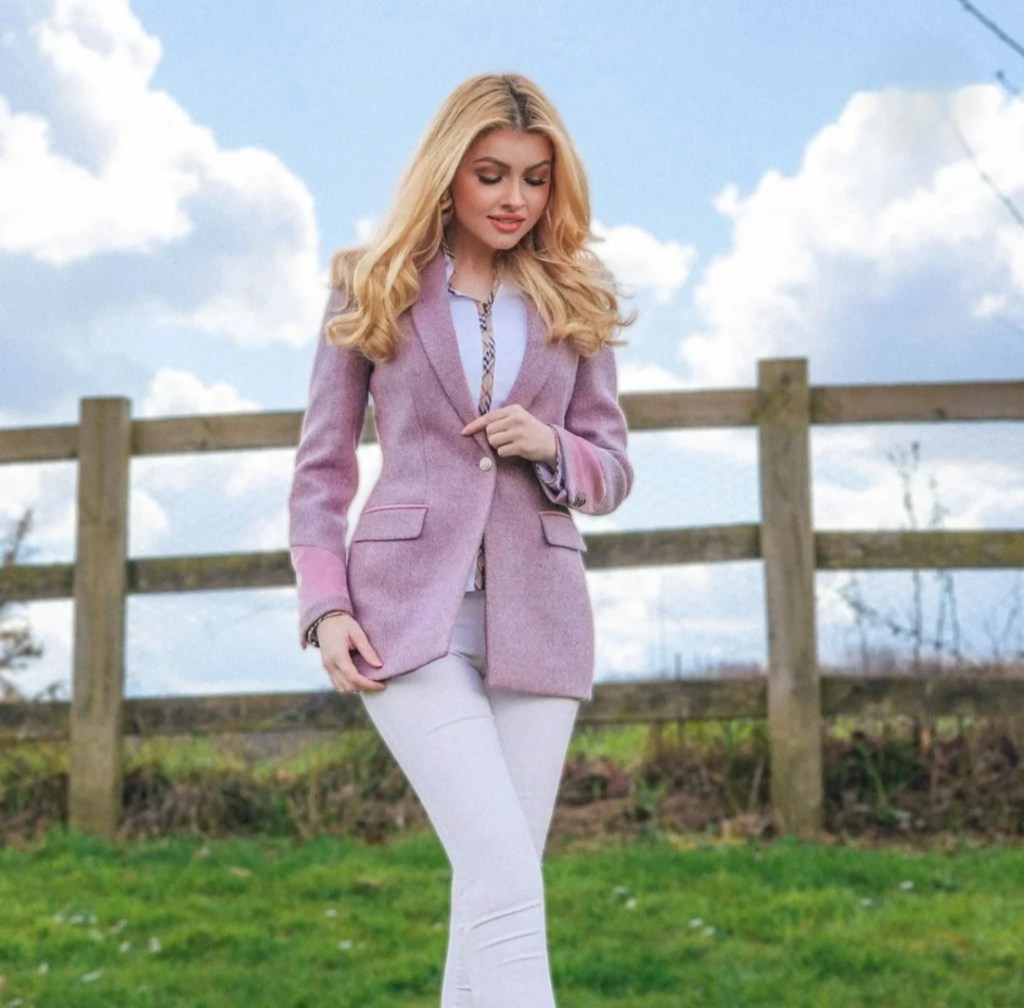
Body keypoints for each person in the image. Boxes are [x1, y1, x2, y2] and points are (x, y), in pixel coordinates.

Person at [288, 71, 634, 1008]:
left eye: (533, 178)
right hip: (406, 621)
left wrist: (551, 444)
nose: (515, 199)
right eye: (492, 175)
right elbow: (321, 469)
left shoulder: (576, 298)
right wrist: (324, 608)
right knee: (508, 886)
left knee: (491, 893)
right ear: (449, 174)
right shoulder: (372, 285)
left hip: (542, 623)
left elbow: (612, 469)